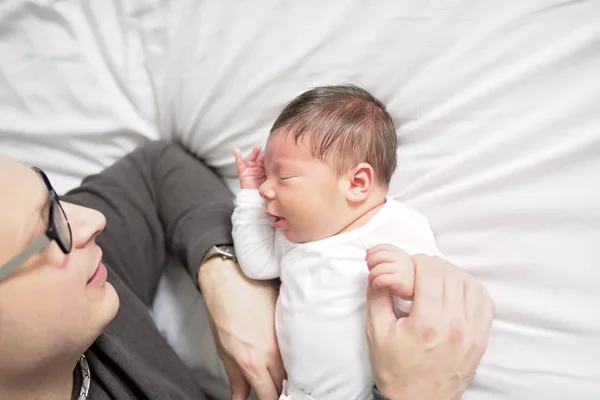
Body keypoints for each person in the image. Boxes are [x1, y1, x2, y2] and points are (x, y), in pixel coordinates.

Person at [0, 140, 494, 400]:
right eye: (47, 228)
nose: (92, 221)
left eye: (53, 195)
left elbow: (155, 171)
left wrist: (225, 278)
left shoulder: (86, 284)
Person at [232, 85, 441, 399]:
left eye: (283, 177)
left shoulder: (398, 227)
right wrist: (248, 194)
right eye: (265, 177)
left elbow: (438, 311)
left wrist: (411, 285)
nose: (266, 189)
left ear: (357, 183)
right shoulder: (293, 234)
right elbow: (256, 264)